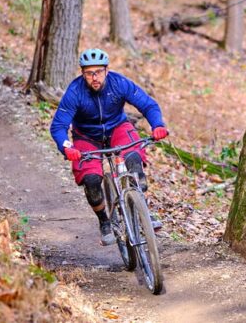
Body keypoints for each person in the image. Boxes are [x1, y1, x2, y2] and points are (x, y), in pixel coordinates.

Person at [50, 48, 169, 246]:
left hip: (117, 128)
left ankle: (143, 211)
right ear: (82, 73)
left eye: (98, 71)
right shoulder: (75, 91)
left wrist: (157, 125)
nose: (94, 77)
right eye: (89, 73)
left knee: (133, 159)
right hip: (86, 136)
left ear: (106, 70)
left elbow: (148, 105)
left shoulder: (119, 83)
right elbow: (59, 126)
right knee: (91, 179)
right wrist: (66, 147)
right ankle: (104, 221)